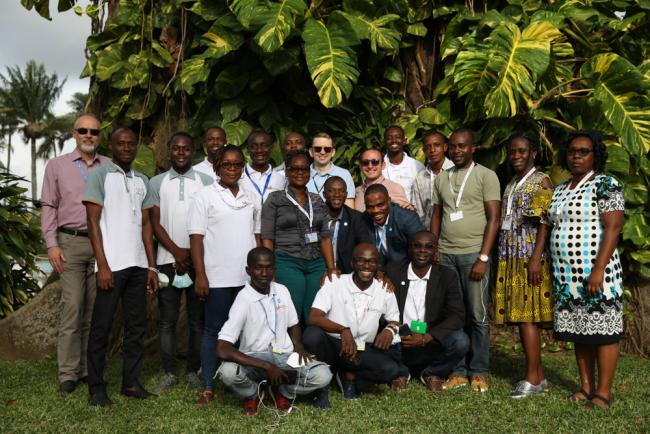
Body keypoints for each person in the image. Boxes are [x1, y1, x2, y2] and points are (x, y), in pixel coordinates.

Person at [549, 131, 624, 410]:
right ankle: (586, 386)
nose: (576, 156)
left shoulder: (606, 184)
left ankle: (603, 393)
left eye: (583, 151)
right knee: (580, 331)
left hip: (597, 272)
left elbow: (614, 227)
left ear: (595, 155)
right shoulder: (560, 189)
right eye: (572, 151)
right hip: (566, 276)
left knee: (604, 331)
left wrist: (598, 269)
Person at [82, 127, 158, 406]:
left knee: (136, 326)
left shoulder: (142, 180)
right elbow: (92, 222)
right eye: (121, 143)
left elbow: (147, 224)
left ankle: (131, 383)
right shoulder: (99, 175)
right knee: (102, 326)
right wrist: (102, 265)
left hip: (138, 265)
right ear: (111, 147)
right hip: (112, 265)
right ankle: (97, 387)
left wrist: (152, 267)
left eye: (131, 143)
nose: (126, 147)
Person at [40, 114, 110, 395]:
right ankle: (68, 373)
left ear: (99, 136)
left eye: (94, 131)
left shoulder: (110, 166)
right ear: (74, 133)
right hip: (70, 243)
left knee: (95, 311)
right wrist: (51, 244)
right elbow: (48, 206)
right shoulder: (57, 166)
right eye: (83, 130)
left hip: (102, 246)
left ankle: (86, 369)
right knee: (72, 307)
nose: (88, 135)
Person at [216, 247, 333, 415]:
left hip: (284, 356)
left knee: (323, 375)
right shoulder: (243, 300)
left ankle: (282, 391)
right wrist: (267, 365)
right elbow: (221, 348)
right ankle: (253, 393)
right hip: (254, 359)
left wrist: (299, 347)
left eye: (269, 267)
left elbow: (293, 325)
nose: (264, 273)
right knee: (227, 372)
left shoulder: (282, 290)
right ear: (248, 270)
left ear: (274, 269)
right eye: (258, 267)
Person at [187, 145, 262, 405]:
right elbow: (196, 237)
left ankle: (239, 380)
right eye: (227, 164)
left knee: (244, 332)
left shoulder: (251, 195)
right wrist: (200, 274)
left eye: (237, 164)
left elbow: (257, 235)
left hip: (247, 279)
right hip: (217, 278)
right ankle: (208, 384)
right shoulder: (205, 195)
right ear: (217, 166)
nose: (232, 169)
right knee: (213, 331)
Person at [430, 128, 500, 392]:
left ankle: (479, 370)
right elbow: (437, 214)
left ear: (473, 148)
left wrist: (483, 256)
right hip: (446, 255)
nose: (457, 151)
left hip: (474, 254)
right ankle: (458, 371)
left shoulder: (486, 175)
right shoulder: (442, 178)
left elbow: (494, 218)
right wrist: (435, 247)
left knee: (478, 315)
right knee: (454, 315)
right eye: (454, 147)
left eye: (463, 146)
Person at [149, 132, 213, 392]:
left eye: (186, 149)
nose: (181, 153)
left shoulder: (207, 181)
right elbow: (154, 223)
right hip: (167, 260)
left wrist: (190, 255)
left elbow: (210, 220)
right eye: (176, 148)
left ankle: (192, 372)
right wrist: (177, 252)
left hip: (198, 261)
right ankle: (169, 372)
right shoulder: (157, 182)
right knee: (167, 321)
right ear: (170, 151)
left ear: (193, 151)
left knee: (198, 321)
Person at [303, 243, 408, 400]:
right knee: (312, 335)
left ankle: (348, 376)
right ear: (352, 263)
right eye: (361, 260)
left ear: (377, 265)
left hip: (361, 348)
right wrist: (342, 330)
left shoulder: (385, 288)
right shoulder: (335, 282)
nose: (366, 266)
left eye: (371, 261)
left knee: (390, 370)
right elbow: (314, 317)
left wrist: (389, 330)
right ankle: (323, 385)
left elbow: (394, 319)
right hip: (335, 344)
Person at [494, 132, 554, 398]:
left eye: (522, 151)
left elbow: (544, 221)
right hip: (510, 256)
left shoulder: (541, 181)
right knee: (520, 318)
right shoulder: (512, 183)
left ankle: (532, 378)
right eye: (513, 152)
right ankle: (538, 376)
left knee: (527, 318)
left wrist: (535, 258)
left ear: (533, 153)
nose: (516, 156)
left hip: (528, 256)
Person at [386, 231, 469, 393]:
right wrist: (381, 275)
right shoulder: (394, 270)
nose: (422, 251)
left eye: (429, 247)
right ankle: (401, 373)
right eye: (417, 246)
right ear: (410, 248)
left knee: (461, 341)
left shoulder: (447, 276)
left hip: (430, 338)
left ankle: (432, 373)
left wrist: (427, 337)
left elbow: (457, 315)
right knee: (378, 333)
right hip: (400, 337)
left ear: (436, 251)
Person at [261, 150, 337, 324]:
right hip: (287, 261)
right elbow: (267, 237)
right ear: (287, 172)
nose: (300, 173)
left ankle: (312, 348)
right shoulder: (275, 199)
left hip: (316, 262)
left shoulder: (317, 200)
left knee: (315, 311)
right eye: (294, 169)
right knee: (291, 311)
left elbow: (325, 236)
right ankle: (293, 348)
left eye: (304, 169)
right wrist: (269, 268)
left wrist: (331, 268)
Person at [361, 184, 425, 269]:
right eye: (370, 207)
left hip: (405, 269)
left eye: (380, 205)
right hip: (378, 270)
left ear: (389, 201)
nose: (375, 211)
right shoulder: (364, 219)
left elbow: (423, 248)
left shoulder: (406, 218)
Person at [323, 176, 370, 273]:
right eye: (332, 191)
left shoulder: (356, 218)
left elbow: (364, 246)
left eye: (341, 191)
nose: (337, 195)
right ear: (324, 194)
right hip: (319, 270)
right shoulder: (314, 216)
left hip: (346, 272)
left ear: (346, 194)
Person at [412, 130, 455, 228]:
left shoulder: (456, 171)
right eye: (428, 147)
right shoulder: (420, 178)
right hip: (430, 234)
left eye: (437, 145)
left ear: (445, 147)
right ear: (423, 151)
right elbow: (419, 213)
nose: (432, 150)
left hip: (454, 232)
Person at [307, 132, 355, 207]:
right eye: (317, 149)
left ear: (333, 152)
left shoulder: (344, 174)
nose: (322, 152)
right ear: (311, 152)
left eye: (327, 149)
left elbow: (349, 209)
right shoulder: (301, 175)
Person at [239, 130, 286, 206]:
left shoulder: (281, 179)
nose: (259, 150)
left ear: (271, 148)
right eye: (254, 146)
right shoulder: (239, 177)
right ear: (248, 149)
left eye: (264, 146)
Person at [382, 125, 425, 202]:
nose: (393, 141)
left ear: (404, 141)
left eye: (397, 137)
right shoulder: (377, 166)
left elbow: (423, 195)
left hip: (410, 212)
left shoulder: (417, 166)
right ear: (384, 142)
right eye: (389, 138)